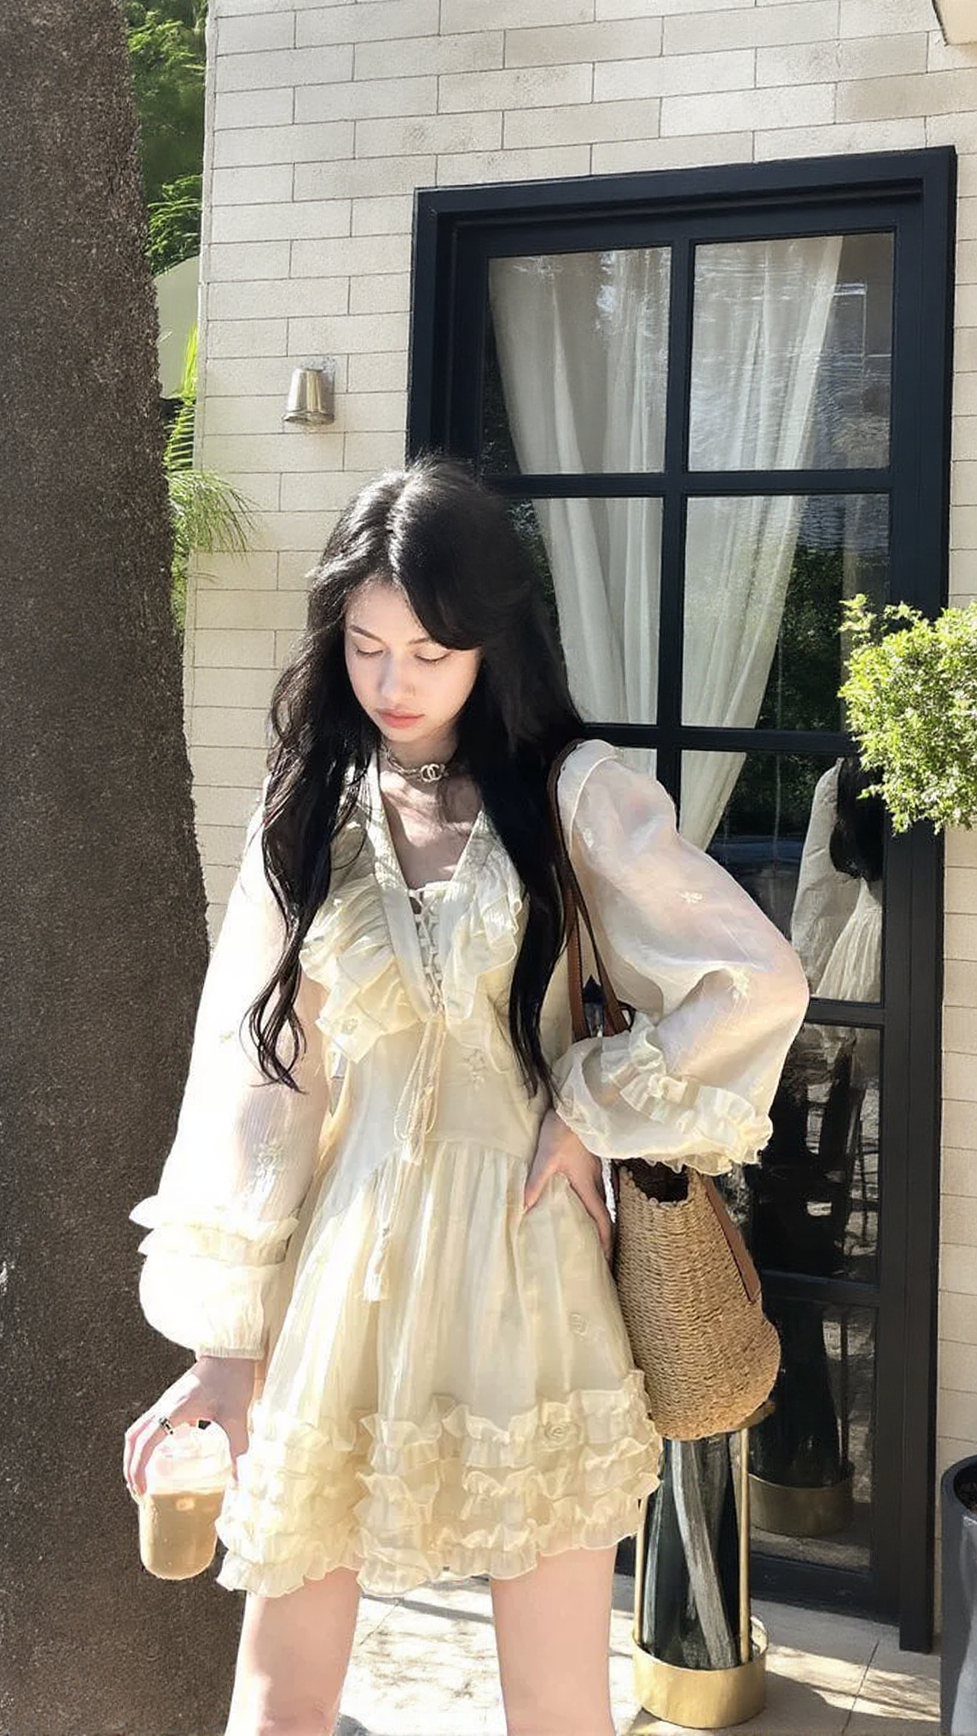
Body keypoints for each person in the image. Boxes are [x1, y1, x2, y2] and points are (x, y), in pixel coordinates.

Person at [122, 454, 810, 1736]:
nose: (392, 682)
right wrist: (223, 1344)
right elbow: (260, 1073)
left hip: (528, 1262)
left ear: (491, 642)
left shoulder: (571, 793)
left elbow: (752, 977)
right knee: (277, 1700)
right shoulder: (310, 805)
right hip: (344, 1273)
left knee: (553, 1704)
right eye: (366, 646)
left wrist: (589, 1105)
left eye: (429, 652)